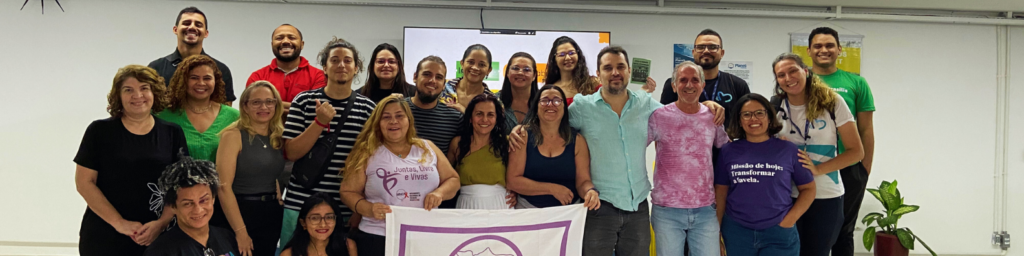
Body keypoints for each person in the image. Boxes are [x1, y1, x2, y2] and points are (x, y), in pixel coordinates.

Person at [510, 46, 722, 256]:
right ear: (598, 74)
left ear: (629, 71)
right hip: (598, 206)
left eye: (620, 67)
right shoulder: (583, 107)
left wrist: (707, 105)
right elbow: (552, 121)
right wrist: (522, 128)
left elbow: (680, 111)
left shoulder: (646, 104)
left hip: (637, 207)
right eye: (608, 67)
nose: (615, 73)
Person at [279, 37, 377, 255]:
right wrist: (319, 122)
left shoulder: (368, 108)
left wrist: (358, 208)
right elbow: (291, 152)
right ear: (324, 67)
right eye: (334, 60)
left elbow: (369, 163)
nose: (341, 65)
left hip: (343, 205)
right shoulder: (304, 101)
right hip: (301, 202)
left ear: (356, 68)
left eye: (347, 60)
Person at [75, 65, 187, 256]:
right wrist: (120, 224)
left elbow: (181, 185)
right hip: (105, 234)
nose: (138, 95)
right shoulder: (99, 131)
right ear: (118, 95)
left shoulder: (172, 132)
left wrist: (161, 223)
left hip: (158, 235)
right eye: (129, 90)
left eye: (144, 88)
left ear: (155, 92)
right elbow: (84, 182)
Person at [339, 95, 461, 256]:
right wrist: (368, 209)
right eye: (386, 117)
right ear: (378, 123)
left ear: (408, 120)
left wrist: (439, 193)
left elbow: (453, 180)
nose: (393, 121)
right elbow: (347, 192)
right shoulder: (367, 151)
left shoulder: (427, 147)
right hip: (379, 236)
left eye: (399, 116)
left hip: (424, 234)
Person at [771, 53, 864, 256]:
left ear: (806, 71)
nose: (788, 78)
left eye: (793, 70)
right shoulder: (775, 107)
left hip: (826, 196)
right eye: (781, 75)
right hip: (787, 195)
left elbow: (856, 152)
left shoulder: (832, 102)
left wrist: (818, 168)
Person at [714, 93, 816, 256]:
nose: (753, 119)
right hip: (737, 232)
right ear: (739, 120)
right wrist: (716, 231)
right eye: (746, 114)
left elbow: (809, 188)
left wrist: (790, 220)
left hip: (779, 232)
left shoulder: (788, 150)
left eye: (759, 113)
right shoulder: (728, 151)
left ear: (769, 117)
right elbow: (720, 192)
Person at [805, 27, 877, 256]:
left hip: (848, 166)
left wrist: (864, 169)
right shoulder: (799, 81)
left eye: (829, 45)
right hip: (809, 167)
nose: (823, 50)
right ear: (809, 50)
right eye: (818, 46)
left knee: (843, 230)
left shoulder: (856, 83)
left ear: (839, 50)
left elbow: (866, 129)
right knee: (808, 228)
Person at [648, 61, 729, 256]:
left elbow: (727, 149)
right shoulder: (658, 116)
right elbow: (634, 146)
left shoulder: (712, 116)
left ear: (702, 85)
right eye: (683, 80)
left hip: (705, 209)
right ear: (674, 86)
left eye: (695, 80)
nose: (689, 85)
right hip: (667, 210)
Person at [216, 81, 287, 256]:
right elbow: (223, 187)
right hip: (239, 212)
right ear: (245, 106)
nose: (264, 107)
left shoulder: (277, 135)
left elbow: (270, 170)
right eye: (256, 102)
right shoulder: (232, 135)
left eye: (269, 101)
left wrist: (277, 195)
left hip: (270, 213)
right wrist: (241, 231)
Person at [506, 85, 599, 210]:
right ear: (536, 107)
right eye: (544, 100)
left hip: (568, 213)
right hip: (528, 210)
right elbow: (513, 181)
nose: (550, 104)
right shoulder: (522, 136)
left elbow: (583, 181)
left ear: (564, 108)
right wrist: (553, 189)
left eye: (557, 100)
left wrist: (590, 191)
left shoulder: (577, 141)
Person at [145, 155, 238, 256]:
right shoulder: (159, 251)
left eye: (203, 200)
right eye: (188, 204)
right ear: (172, 206)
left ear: (213, 199)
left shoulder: (227, 237)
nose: (198, 210)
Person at [156, 55, 241, 162]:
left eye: (207, 78)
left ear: (216, 81)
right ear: (183, 81)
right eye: (194, 78)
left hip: (223, 179)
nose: (201, 83)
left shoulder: (234, 117)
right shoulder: (163, 115)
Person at [660, 29, 751, 128]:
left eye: (713, 47)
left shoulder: (738, 85)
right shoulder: (675, 84)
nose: (706, 51)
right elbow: (664, 122)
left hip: (727, 143)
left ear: (722, 53)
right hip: (686, 142)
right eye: (700, 47)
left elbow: (748, 120)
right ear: (693, 52)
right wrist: (701, 108)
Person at [406, 56, 464, 209]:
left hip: (438, 202)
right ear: (414, 77)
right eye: (427, 74)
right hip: (396, 196)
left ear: (444, 84)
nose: (432, 80)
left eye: (439, 77)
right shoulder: (397, 111)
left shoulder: (454, 117)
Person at [148, 6, 236, 106]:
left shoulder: (221, 69)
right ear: (175, 29)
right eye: (186, 23)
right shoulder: (156, 68)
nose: (192, 27)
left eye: (198, 24)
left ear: (206, 33)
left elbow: (226, 112)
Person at [448, 94, 514, 209]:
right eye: (479, 114)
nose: (484, 119)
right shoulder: (457, 144)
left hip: (501, 205)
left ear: (497, 118)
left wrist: (516, 193)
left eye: (490, 115)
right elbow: (446, 178)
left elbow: (516, 177)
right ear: (470, 117)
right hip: (466, 206)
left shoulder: (507, 143)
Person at [247, 24, 326, 112]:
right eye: (279, 38)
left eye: (292, 38)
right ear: (272, 44)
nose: (285, 41)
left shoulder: (319, 76)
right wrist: (300, 106)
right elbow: (252, 109)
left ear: (302, 44)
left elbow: (314, 109)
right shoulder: (257, 77)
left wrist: (272, 104)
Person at [280, 192, 353, 256]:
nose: (323, 225)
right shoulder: (288, 254)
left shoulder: (348, 246)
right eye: (315, 218)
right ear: (303, 223)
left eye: (329, 217)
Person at [544, 36, 601, 105]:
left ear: (578, 55)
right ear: (554, 59)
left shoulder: (593, 84)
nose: (568, 58)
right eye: (562, 54)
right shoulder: (550, 89)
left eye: (571, 53)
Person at [439, 44, 495, 112]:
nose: (475, 67)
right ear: (462, 64)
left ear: (489, 70)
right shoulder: (442, 88)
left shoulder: (493, 102)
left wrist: (465, 113)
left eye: (481, 65)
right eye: (471, 62)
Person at [495, 52, 539, 128]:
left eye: (527, 69)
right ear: (507, 73)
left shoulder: (544, 102)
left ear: (534, 75)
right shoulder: (494, 101)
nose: (520, 72)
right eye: (515, 68)